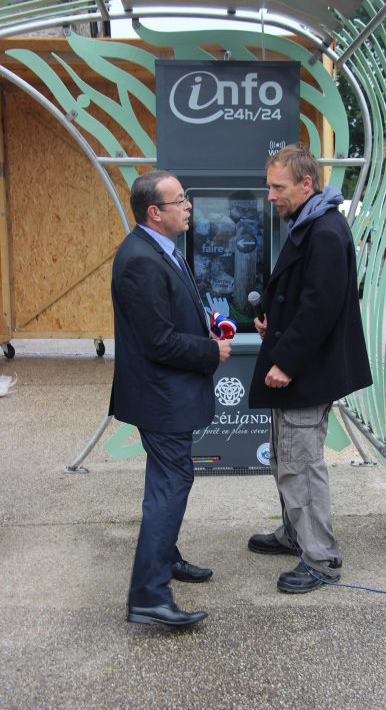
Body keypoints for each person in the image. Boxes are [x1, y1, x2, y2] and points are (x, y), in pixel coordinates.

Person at [248, 143, 372, 594]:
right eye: (269, 187)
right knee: (287, 459)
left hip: (305, 373)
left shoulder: (324, 230)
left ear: (306, 184)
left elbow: (321, 308)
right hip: (301, 367)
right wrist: (274, 327)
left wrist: (285, 360)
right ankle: (295, 534)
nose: (270, 197)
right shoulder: (313, 221)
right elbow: (303, 299)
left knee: (301, 464)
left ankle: (322, 559)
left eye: (278, 188)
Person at [109, 170, 231, 627]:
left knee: (167, 482)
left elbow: (171, 315)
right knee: (169, 486)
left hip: (167, 396)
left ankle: (165, 559)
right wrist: (210, 350)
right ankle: (148, 597)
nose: (189, 206)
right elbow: (157, 341)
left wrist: (207, 322)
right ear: (154, 212)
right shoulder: (141, 259)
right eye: (180, 200)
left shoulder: (159, 250)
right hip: (162, 399)